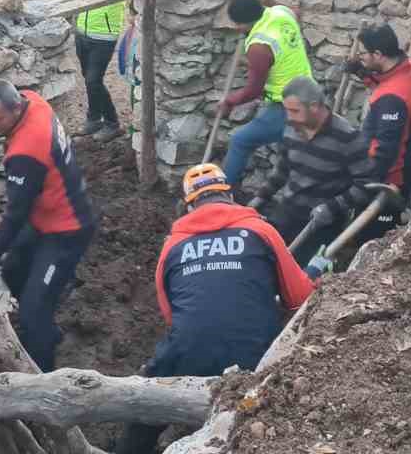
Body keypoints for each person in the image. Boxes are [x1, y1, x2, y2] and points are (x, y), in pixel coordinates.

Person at [118, 163, 313, 454]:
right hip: (257, 356)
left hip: (189, 351)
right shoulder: (261, 231)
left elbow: (170, 313)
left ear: (189, 206)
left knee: (146, 409)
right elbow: (301, 299)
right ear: (230, 196)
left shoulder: (173, 246)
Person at [0, 79, 99, 372]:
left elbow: (15, 215)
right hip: (44, 216)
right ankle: (45, 332)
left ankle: (43, 377)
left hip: (66, 231)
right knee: (13, 272)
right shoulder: (32, 101)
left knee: (33, 314)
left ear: (15, 109)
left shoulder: (26, 151)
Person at [247, 76, 374, 266]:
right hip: (287, 211)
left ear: (314, 106)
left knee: (301, 272)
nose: (289, 117)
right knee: (263, 260)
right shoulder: (291, 128)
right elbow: (282, 169)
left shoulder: (347, 138)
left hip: (321, 224)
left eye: (294, 111)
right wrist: (259, 199)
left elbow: (365, 185)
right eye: (287, 110)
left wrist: (331, 207)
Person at [219, 0, 313, 188]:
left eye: (237, 24)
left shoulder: (259, 46)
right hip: (309, 93)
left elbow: (253, 91)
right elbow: (296, 12)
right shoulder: (282, 13)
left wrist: (229, 101)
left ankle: (223, 193)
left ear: (244, 22)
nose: (237, 29)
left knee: (240, 140)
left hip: (289, 108)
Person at [348, 24, 411, 244]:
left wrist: (365, 183)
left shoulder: (392, 98)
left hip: (386, 182)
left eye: (363, 53)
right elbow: (387, 82)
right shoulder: (409, 70)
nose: (360, 56)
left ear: (378, 54)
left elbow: (386, 150)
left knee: (370, 239)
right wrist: (364, 73)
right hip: (404, 166)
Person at [71, 0, 125, 141]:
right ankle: (94, 119)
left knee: (94, 80)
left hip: (104, 37)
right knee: (88, 78)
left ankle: (112, 123)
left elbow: (134, 0)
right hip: (82, 33)